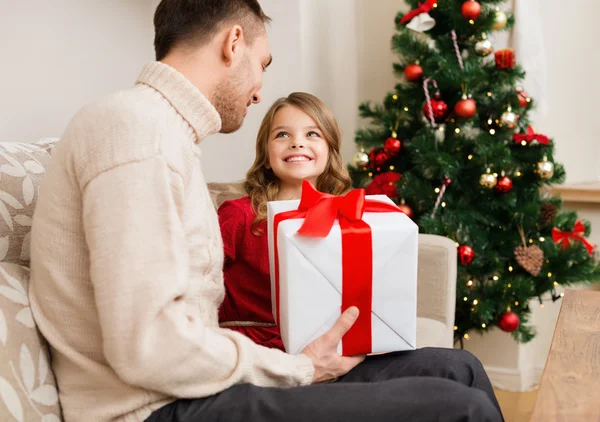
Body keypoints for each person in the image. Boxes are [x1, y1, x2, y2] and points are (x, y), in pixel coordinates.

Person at [28, 0, 504, 421]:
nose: (258, 91)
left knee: (457, 367)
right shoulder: (137, 132)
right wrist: (300, 368)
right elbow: (148, 347)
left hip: (196, 389)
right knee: (463, 409)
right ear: (234, 43)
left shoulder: (161, 135)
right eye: (262, 64)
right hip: (158, 408)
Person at [218, 92, 352, 351]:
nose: (297, 143)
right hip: (255, 353)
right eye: (282, 135)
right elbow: (190, 282)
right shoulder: (238, 215)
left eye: (312, 134)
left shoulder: (345, 218)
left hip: (327, 348)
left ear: (330, 151)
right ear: (266, 156)